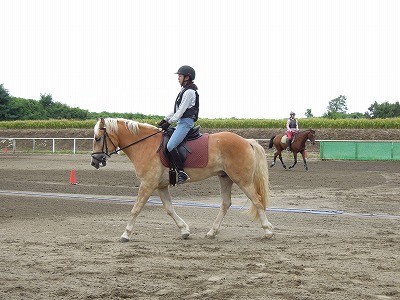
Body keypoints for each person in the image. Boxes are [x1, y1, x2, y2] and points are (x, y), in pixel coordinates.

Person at [158, 65, 199, 184]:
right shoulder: (184, 91)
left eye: (180, 76)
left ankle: (182, 172)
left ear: (187, 77)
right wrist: (165, 119)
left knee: (170, 146)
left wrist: (169, 122)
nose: (178, 78)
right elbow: (176, 110)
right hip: (181, 122)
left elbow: (181, 112)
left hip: (186, 123)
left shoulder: (190, 92)